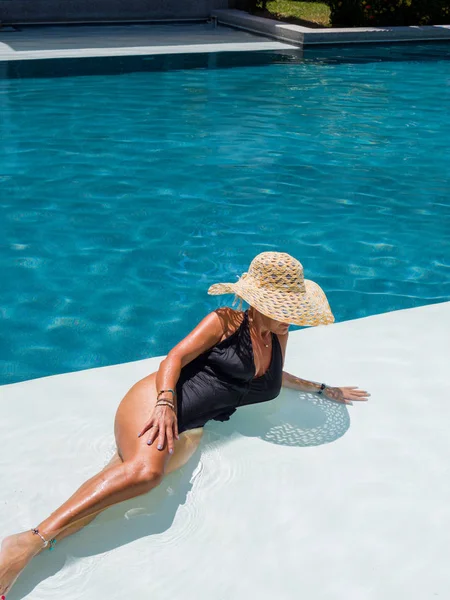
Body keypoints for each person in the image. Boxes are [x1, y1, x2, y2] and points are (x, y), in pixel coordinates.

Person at [0, 251, 370, 597]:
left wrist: (322, 388)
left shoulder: (278, 333)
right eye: (280, 308)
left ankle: (30, 549)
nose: (287, 316)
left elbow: (273, 375)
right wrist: (164, 403)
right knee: (145, 475)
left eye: (290, 308)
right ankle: (26, 542)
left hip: (191, 427)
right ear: (258, 301)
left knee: (115, 492)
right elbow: (173, 359)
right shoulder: (225, 321)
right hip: (159, 401)